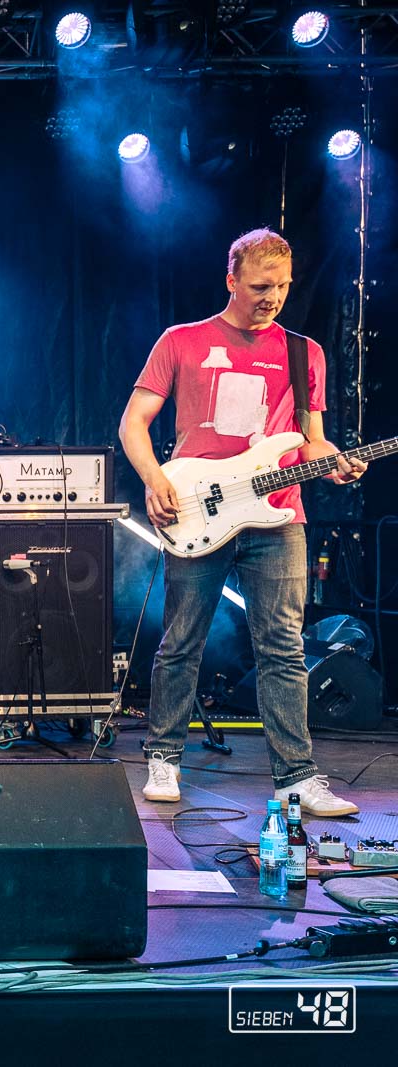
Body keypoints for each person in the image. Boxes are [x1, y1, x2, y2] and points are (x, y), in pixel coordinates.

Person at [119, 227, 364, 816]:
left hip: (278, 517)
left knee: (282, 647)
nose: (271, 297)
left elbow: (310, 442)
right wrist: (156, 480)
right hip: (198, 507)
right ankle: (164, 757)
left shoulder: (305, 352)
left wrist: (332, 466)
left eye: (280, 286)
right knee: (182, 641)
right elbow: (134, 425)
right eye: (259, 286)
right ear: (231, 280)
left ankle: (296, 779)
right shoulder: (181, 341)